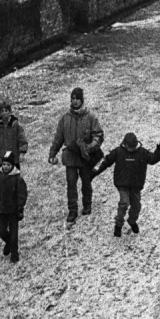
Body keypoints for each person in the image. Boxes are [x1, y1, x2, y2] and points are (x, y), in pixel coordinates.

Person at [91, 132, 160, 237]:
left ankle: (132, 221)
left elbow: (153, 159)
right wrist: (93, 173)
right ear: (125, 144)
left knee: (136, 206)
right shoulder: (118, 152)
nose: (131, 149)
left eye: (133, 146)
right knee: (124, 203)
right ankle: (118, 225)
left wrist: (159, 151)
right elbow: (105, 161)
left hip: (136, 186)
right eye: (129, 146)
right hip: (122, 184)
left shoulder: (142, 152)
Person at [48, 87, 104, 224]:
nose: (74, 101)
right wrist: (52, 153)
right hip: (70, 157)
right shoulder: (65, 118)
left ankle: (87, 205)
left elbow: (98, 135)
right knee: (71, 184)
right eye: (72, 98)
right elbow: (58, 138)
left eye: (77, 98)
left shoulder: (91, 116)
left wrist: (88, 148)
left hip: (85, 157)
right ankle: (72, 210)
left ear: (82, 100)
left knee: (86, 181)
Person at [0, 151, 27, 264]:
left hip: (13, 210)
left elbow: (22, 194)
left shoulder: (17, 178)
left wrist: (20, 208)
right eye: (4, 164)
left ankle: (14, 254)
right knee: (0, 231)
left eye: (8, 165)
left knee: (14, 234)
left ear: (12, 165)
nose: (5, 167)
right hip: (0, 209)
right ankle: (8, 243)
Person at [0, 98, 28, 168]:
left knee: (15, 178)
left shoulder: (16, 125)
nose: (4, 113)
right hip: (2, 160)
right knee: (3, 178)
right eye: (2, 111)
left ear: (10, 111)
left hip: (14, 159)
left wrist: (22, 153)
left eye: (6, 110)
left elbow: (22, 140)